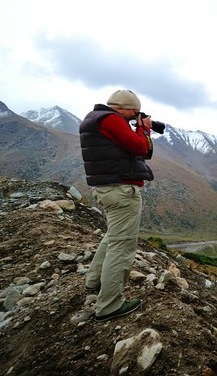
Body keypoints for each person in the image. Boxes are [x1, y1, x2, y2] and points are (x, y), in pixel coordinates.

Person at [79, 89, 154, 322]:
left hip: (107, 189)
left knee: (113, 237)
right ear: (124, 107)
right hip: (121, 191)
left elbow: (136, 150)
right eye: (134, 112)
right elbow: (140, 148)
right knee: (122, 246)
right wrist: (143, 128)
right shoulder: (111, 119)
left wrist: (138, 127)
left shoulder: (95, 119)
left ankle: (94, 281)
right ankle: (109, 305)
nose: (134, 117)